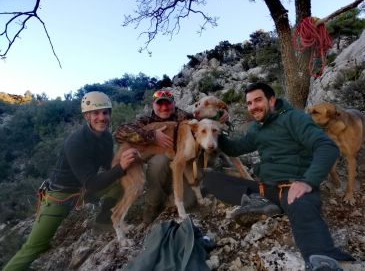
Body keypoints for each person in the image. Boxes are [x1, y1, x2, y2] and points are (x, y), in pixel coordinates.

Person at [202, 82, 355, 271]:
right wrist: (220, 128)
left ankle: (321, 259)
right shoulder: (257, 129)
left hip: (293, 188)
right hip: (266, 189)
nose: (253, 107)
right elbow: (235, 148)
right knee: (209, 179)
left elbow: (327, 147)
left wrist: (308, 182)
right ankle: (261, 202)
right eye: (249, 103)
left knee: (302, 210)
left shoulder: (294, 118)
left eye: (258, 100)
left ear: (272, 100)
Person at [3, 91, 139, 271]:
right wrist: (121, 167)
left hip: (83, 192)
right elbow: (92, 182)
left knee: (122, 182)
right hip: (60, 198)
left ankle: (103, 220)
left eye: (105, 112)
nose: (101, 117)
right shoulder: (76, 142)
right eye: (96, 113)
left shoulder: (106, 137)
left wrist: (128, 165)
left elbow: (108, 168)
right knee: (34, 248)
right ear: (87, 116)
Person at [114, 89, 194, 224]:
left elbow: (202, 123)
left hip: (179, 163)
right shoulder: (146, 121)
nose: (164, 107)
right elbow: (120, 132)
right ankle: (153, 204)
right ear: (153, 105)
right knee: (160, 161)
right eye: (160, 104)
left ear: (174, 104)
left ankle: (171, 199)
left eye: (168, 104)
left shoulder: (182, 117)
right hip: (153, 165)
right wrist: (152, 136)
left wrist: (220, 116)